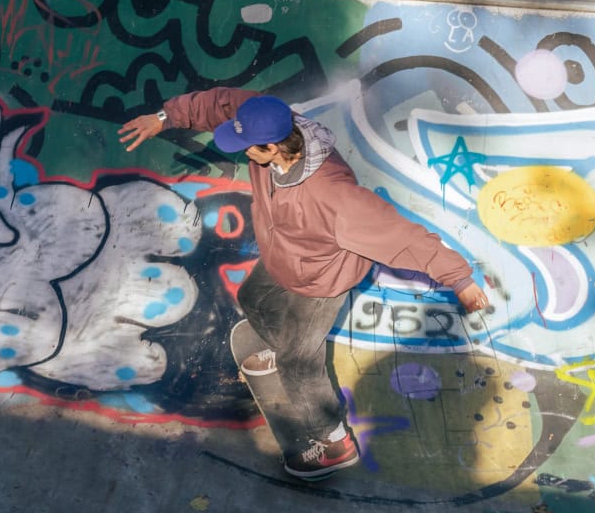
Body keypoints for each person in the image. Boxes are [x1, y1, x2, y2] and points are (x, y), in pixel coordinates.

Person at [119, 90, 489, 481]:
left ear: (275, 147)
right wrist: (164, 117)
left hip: (322, 282)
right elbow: (222, 104)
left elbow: (402, 236)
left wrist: (459, 279)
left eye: (249, 149)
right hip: (285, 258)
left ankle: (332, 442)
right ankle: (287, 351)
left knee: (298, 362)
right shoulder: (268, 120)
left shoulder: (334, 197)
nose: (244, 154)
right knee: (252, 298)